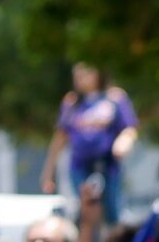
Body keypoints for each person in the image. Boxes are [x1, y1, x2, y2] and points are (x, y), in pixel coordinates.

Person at [46, 64, 139, 225]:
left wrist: (124, 142)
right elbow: (60, 137)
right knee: (86, 211)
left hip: (108, 163)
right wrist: (48, 172)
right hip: (80, 164)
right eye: (78, 73)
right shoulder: (71, 102)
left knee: (112, 210)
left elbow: (129, 128)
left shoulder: (114, 97)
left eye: (86, 72)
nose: (81, 76)